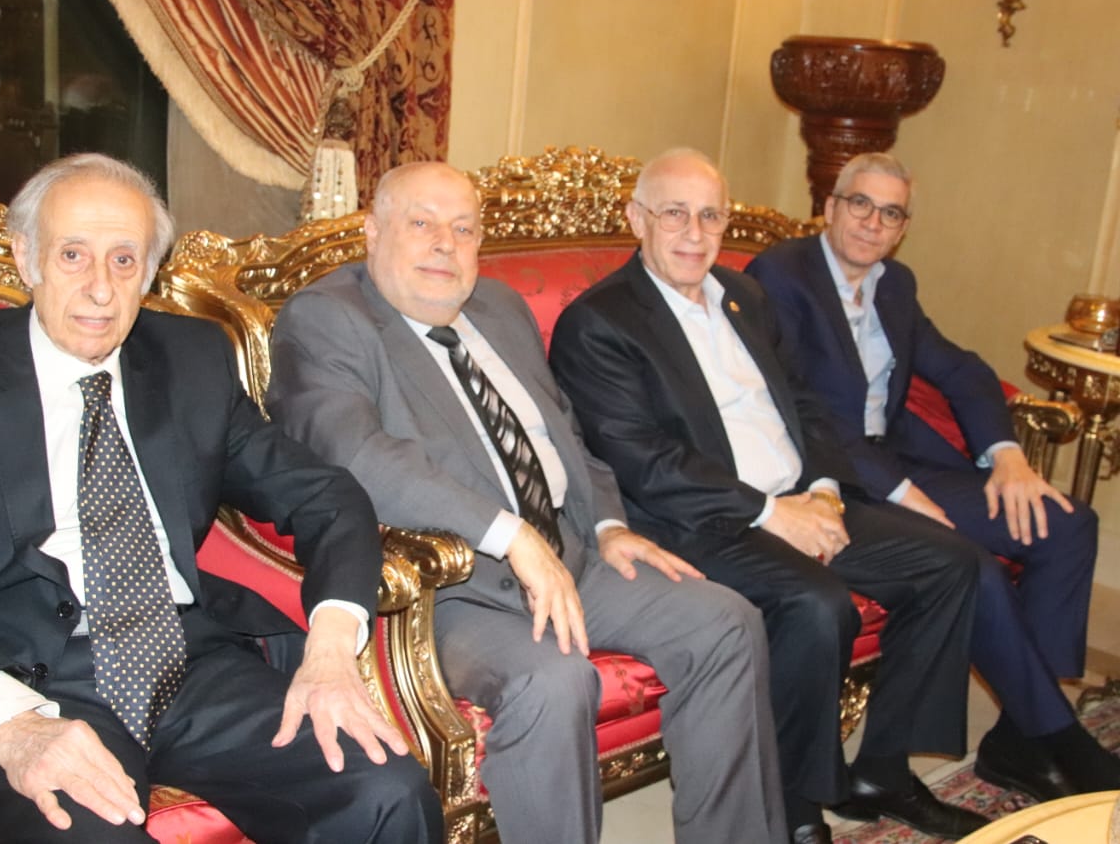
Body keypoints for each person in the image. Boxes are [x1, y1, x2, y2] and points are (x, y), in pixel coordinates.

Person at [0, 153, 442, 844]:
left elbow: (325, 497)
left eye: (124, 260)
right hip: (15, 675)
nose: (100, 289)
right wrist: (11, 726)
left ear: (150, 272)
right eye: (73, 255)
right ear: (26, 258)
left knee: (386, 790)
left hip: (188, 662)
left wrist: (331, 648)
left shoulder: (190, 361)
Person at [265, 161, 788, 844]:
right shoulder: (331, 317)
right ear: (373, 231)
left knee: (726, 622)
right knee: (554, 681)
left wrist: (608, 524)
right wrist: (509, 534)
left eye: (463, 229)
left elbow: (565, 431)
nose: (445, 244)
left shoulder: (498, 308)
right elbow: (356, 454)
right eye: (421, 223)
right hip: (453, 589)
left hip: (569, 556)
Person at [549, 149, 988, 844]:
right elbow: (643, 459)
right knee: (815, 603)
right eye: (674, 213)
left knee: (951, 563)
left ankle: (883, 771)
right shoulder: (600, 321)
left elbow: (805, 404)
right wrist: (770, 513)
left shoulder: (743, 296)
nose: (695, 232)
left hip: (800, 499)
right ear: (637, 218)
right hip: (699, 520)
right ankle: (794, 805)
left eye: (710, 215)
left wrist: (825, 493)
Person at [747, 151, 1118, 802]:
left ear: (903, 228)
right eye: (860, 204)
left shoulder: (894, 284)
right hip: (824, 476)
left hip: (896, 458)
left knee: (1066, 523)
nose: (872, 222)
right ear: (830, 207)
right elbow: (805, 410)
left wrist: (1007, 455)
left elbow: (962, 368)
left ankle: (1017, 740)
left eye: (890, 213)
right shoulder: (781, 275)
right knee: (967, 563)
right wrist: (904, 494)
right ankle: (1059, 738)